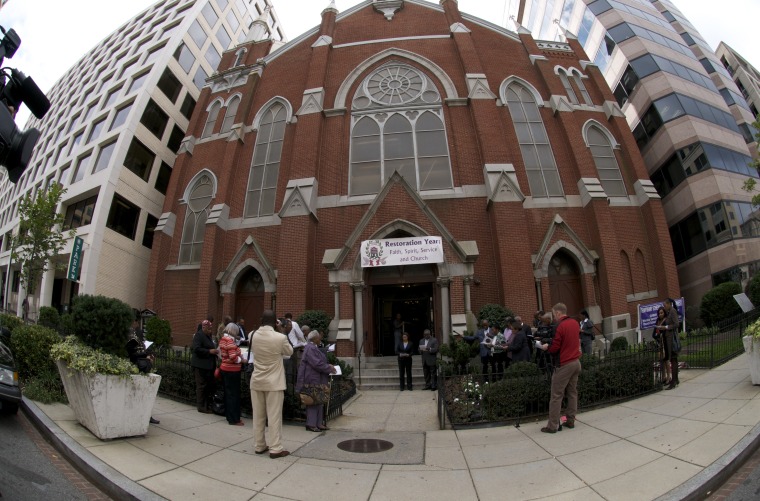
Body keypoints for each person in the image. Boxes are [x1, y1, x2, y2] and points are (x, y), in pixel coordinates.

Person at [250, 310, 294, 459]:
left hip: (256, 381)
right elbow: (289, 352)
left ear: (262, 320)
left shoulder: (252, 335)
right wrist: (281, 331)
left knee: (258, 415)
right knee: (274, 417)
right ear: (276, 321)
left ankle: (259, 445)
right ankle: (275, 448)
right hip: (274, 383)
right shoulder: (280, 337)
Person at [540, 303, 581, 433]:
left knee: (556, 395)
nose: (554, 317)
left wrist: (547, 347)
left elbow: (556, 347)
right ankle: (570, 420)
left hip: (564, 364)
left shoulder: (559, 326)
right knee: (572, 392)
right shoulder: (575, 323)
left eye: (553, 314)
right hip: (576, 362)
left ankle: (552, 425)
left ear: (558, 313)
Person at [296, 330, 337, 432]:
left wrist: (328, 367)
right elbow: (317, 363)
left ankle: (318, 423)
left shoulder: (312, 347)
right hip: (312, 378)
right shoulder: (310, 348)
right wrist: (329, 367)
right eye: (318, 337)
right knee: (313, 401)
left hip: (317, 378)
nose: (320, 339)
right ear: (314, 338)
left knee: (319, 400)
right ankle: (311, 424)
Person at [125, 320, 159, 425]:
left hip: (142, 368)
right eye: (136, 322)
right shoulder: (132, 338)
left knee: (146, 393)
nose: (137, 324)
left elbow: (141, 349)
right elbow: (132, 355)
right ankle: (142, 415)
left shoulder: (137, 335)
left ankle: (147, 415)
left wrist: (149, 354)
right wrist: (145, 355)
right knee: (139, 394)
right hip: (137, 369)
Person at [219, 322, 245, 426]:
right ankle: (234, 419)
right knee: (233, 395)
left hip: (225, 369)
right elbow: (233, 357)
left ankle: (229, 416)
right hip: (232, 371)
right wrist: (242, 360)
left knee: (228, 394)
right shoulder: (229, 341)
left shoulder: (223, 339)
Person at [191, 320, 217, 414]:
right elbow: (196, 349)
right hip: (200, 365)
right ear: (204, 327)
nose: (210, 330)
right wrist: (209, 351)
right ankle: (201, 406)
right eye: (209, 329)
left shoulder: (208, 336)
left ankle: (205, 405)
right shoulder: (199, 335)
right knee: (201, 386)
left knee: (206, 386)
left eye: (211, 329)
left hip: (208, 366)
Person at [663, 298, 680, 390]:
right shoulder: (669, 312)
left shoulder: (673, 311)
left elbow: (677, 324)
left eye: (665, 305)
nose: (664, 307)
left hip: (672, 340)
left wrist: (666, 327)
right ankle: (676, 379)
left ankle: (673, 382)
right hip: (669, 339)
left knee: (673, 359)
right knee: (674, 360)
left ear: (669, 304)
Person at [652, 306, 671, 385]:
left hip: (665, 342)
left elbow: (666, 331)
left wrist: (660, 334)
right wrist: (657, 335)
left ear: (664, 313)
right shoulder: (657, 321)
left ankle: (668, 377)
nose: (660, 314)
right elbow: (654, 334)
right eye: (659, 313)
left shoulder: (666, 321)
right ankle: (663, 377)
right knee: (661, 361)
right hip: (659, 343)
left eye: (662, 313)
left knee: (666, 360)